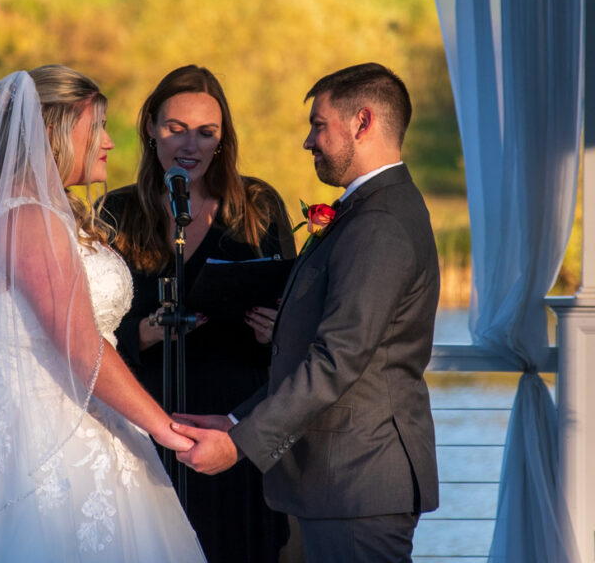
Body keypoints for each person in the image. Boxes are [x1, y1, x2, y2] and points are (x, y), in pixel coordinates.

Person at [0, 66, 206, 563]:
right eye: (95, 129)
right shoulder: (28, 217)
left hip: (32, 436)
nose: (110, 143)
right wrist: (165, 429)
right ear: (52, 133)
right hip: (48, 453)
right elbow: (80, 345)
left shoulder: (8, 212)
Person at [173, 62, 440, 563]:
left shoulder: (380, 223)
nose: (308, 141)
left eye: (318, 124)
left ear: (362, 123)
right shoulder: (367, 210)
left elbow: (338, 358)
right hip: (341, 485)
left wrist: (239, 445)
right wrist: (234, 419)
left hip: (358, 482)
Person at [99, 64, 295, 563]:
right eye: (175, 129)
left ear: (223, 139)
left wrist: (279, 329)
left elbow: (297, 310)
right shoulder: (115, 213)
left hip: (233, 426)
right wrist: (139, 335)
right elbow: (86, 327)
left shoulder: (259, 206)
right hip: (148, 418)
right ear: (150, 129)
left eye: (207, 133)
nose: (191, 145)